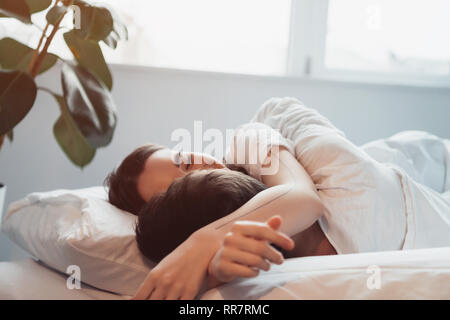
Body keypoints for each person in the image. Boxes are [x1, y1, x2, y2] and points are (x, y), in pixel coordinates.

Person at [105, 97, 450, 300]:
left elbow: (302, 199)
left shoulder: (251, 143)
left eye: (182, 160)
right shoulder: (235, 239)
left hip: (414, 163)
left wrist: (201, 242)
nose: (198, 168)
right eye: (175, 188)